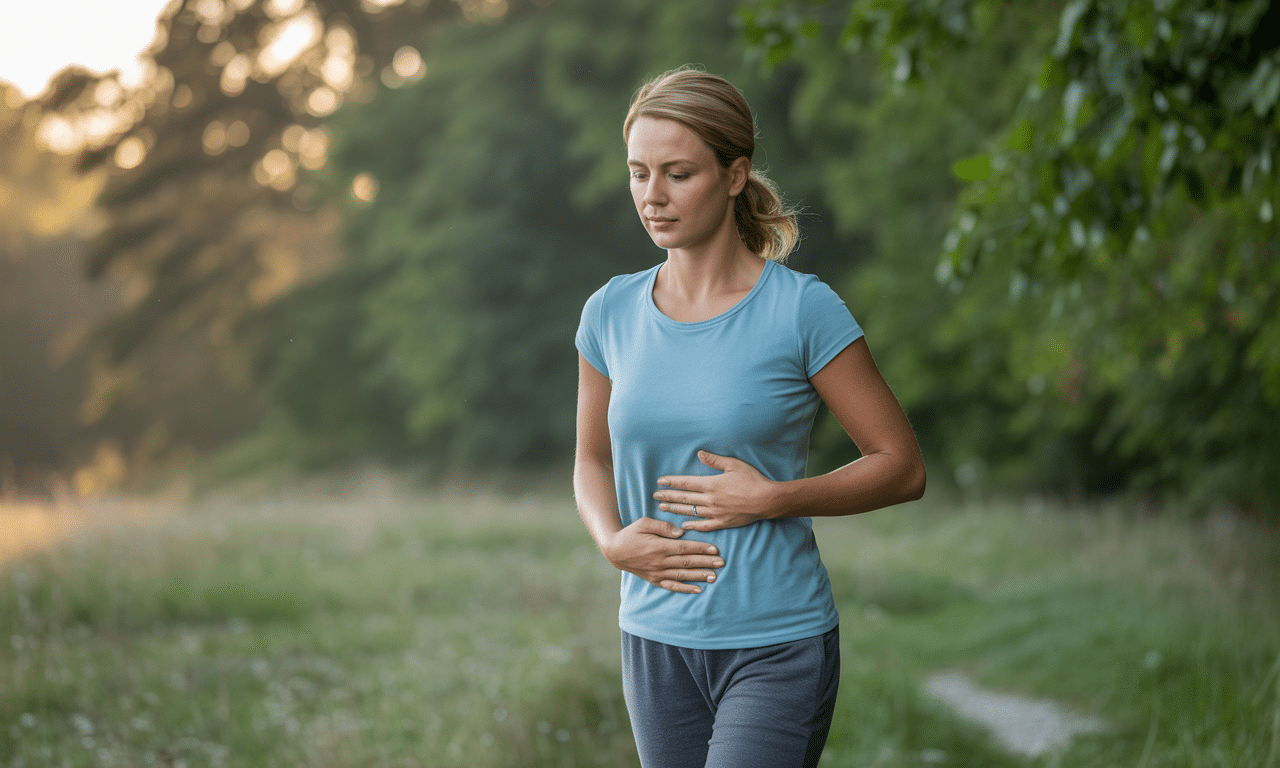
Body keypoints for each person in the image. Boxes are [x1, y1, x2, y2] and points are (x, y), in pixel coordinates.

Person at [573, 66, 927, 768]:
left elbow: (902, 467)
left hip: (776, 640)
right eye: (638, 173)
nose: (653, 196)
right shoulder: (609, 311)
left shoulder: (801, 309)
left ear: (735, 175)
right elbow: (590, 458)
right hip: (652, 636)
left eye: (677, 173)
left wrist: (774, 498)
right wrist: (610, 541)